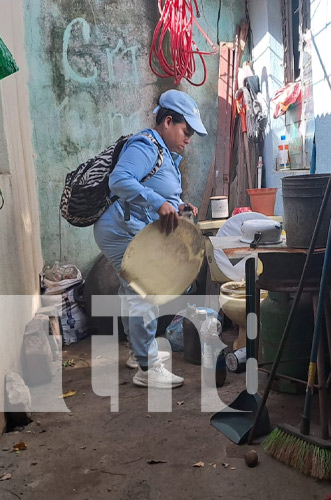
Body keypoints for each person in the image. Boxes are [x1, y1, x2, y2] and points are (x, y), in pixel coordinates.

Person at [93, 89, 207, 389]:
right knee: (143, 288)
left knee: (132, 289)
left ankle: (136, 352)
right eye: (186, 131)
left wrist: (178, 206)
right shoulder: (145, 145)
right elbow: (119, 180)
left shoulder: (165, 154)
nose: (188, 139)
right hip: (119, 228)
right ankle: (148, 367)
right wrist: (158, 202)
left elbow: (158, 194)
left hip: (131, 227)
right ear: (168, 121)